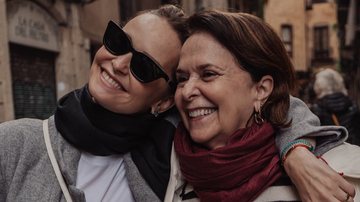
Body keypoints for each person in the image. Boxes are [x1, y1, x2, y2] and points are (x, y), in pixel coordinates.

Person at [0, 5, 355, 202]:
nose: (119, 63)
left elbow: (263, 108)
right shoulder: (17, 143)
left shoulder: (170, 147)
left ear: (164, 99)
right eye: (118, 40)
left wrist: (296, 151)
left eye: (143, 66)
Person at [169, 10, 360, 202]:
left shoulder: (341, 175)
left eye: (208, 74)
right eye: (182, 79)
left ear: (261, 90)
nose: (186, 92)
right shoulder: (166, 172)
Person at [311, 68, 360, 146]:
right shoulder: (353, 107)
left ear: (318, 87)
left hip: (330, 153)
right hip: (354, 152)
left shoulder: (317, 110)